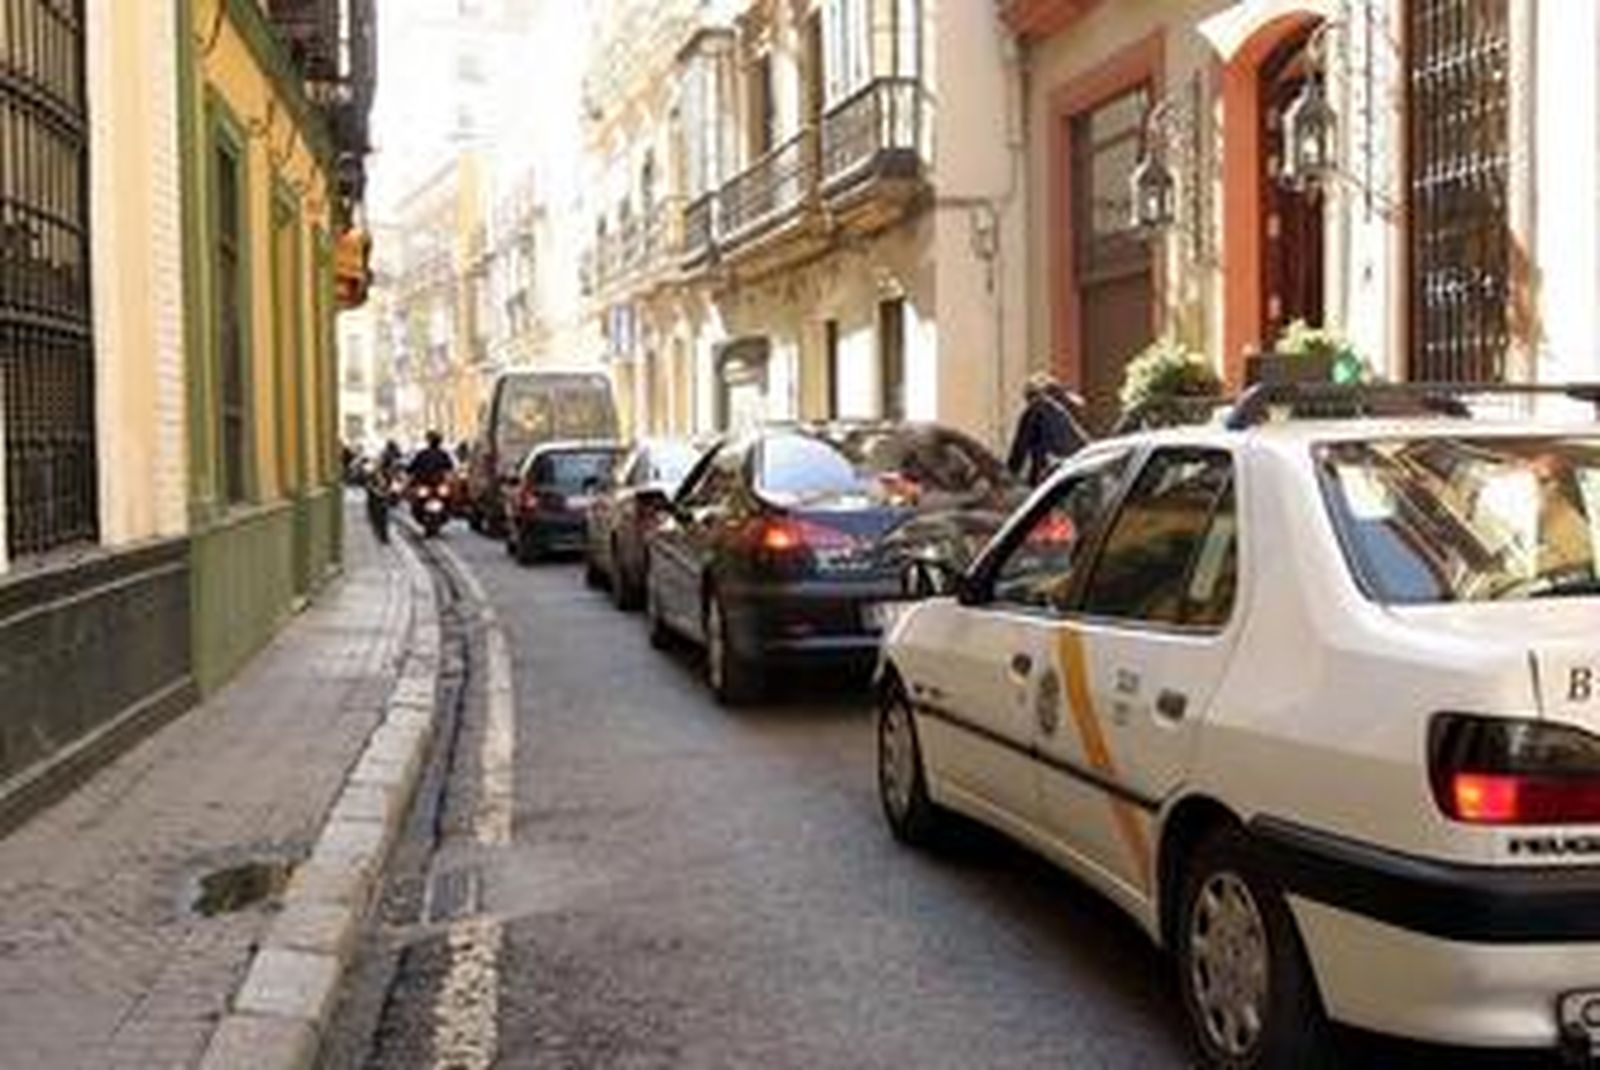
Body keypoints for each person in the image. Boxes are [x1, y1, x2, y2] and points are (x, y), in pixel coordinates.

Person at [1007, 373, 1089, 485]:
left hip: (1056, 476)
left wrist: (1007, 478)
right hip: (1081, 474)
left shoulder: (1038, 408)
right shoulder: (1069, 414)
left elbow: (1019, 450)